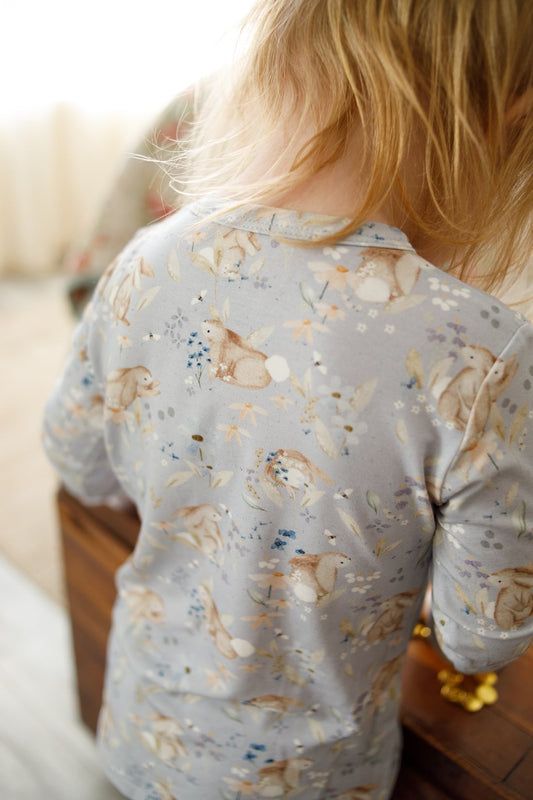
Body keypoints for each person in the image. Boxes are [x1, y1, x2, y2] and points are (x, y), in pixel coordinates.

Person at [43, 2, 533, 799]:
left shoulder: (148, 258)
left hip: (143, 732)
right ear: (505, 119)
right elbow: (481, 634)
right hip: (315, 777)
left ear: (276, 57)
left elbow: (78, 462)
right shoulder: (481, 349)